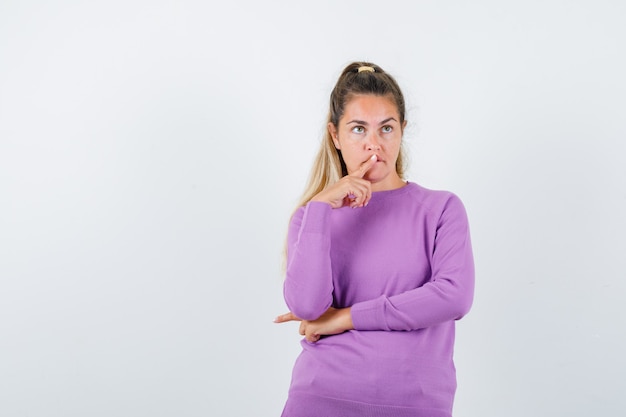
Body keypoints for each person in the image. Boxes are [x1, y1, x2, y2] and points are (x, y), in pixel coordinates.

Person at [274, 61, 475, 417]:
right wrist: (321, 206)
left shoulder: (441, 208)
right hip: (320, 401)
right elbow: (307, 307)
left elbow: (453, 296)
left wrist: (346, 318)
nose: (373, 145)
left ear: (402, 131)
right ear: (335, 135)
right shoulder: (312, 217)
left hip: (415, 405)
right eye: (357, 129)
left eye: (386, 128)